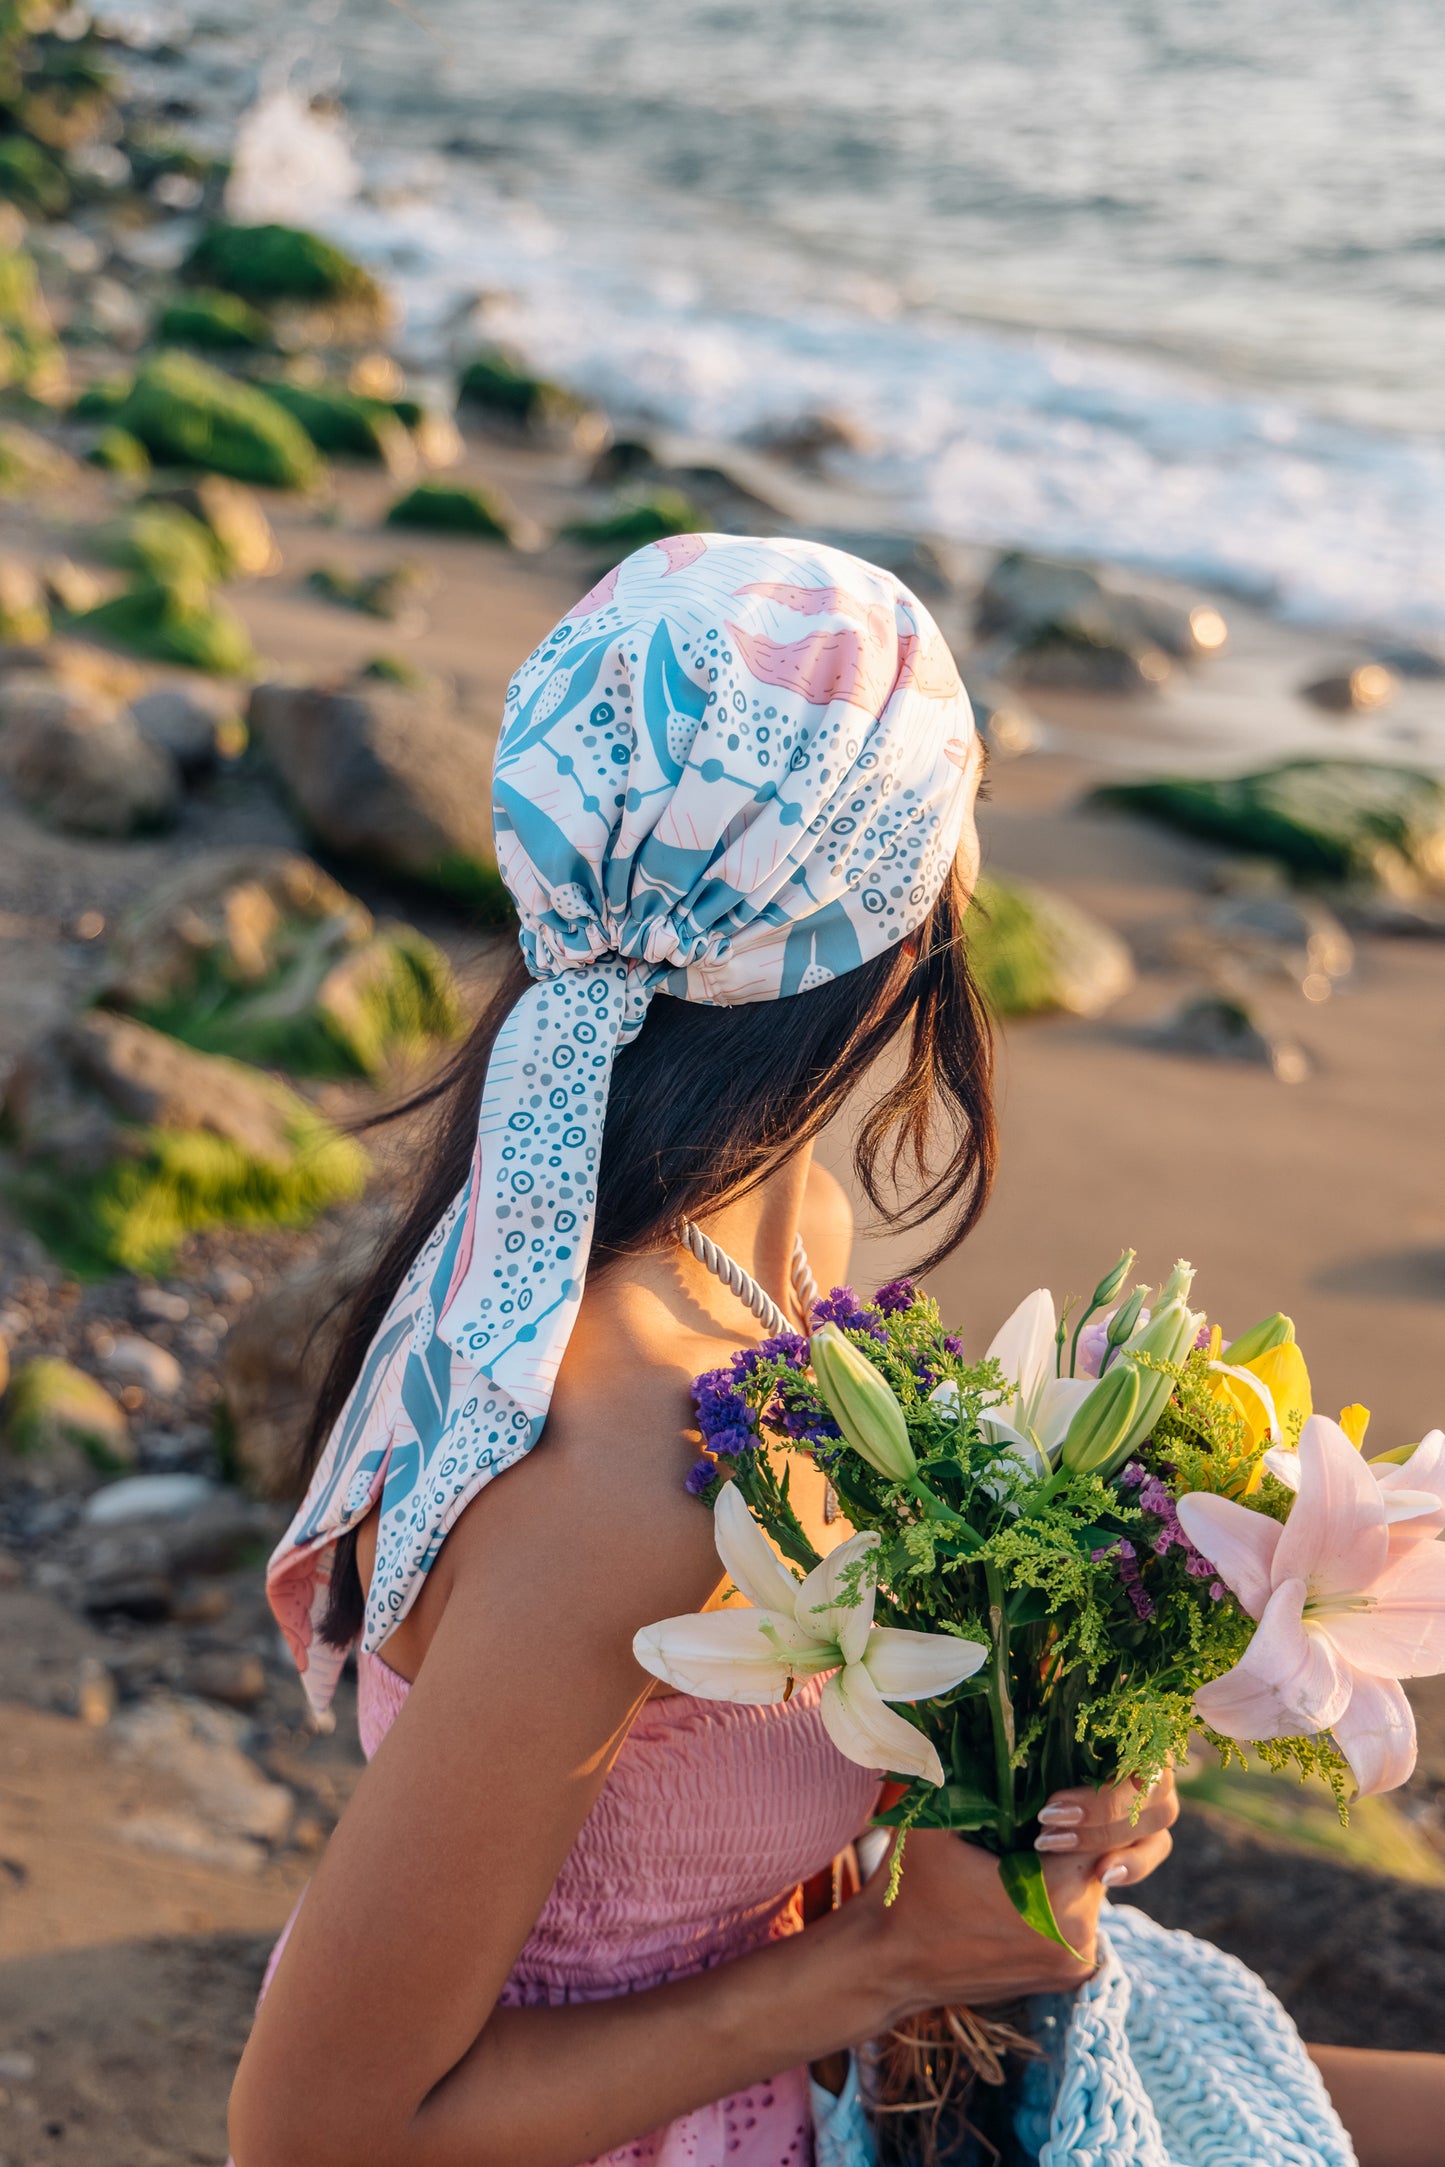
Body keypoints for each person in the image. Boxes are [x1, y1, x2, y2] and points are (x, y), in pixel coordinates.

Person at [229, 537, 1440, 2167]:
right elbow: (315, 2139)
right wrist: (895, 1956)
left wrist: (1040, 1770)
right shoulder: (622, 1461)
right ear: (881, 928)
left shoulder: (723, 1233)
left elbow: (750, 1743)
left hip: (802, 2052)